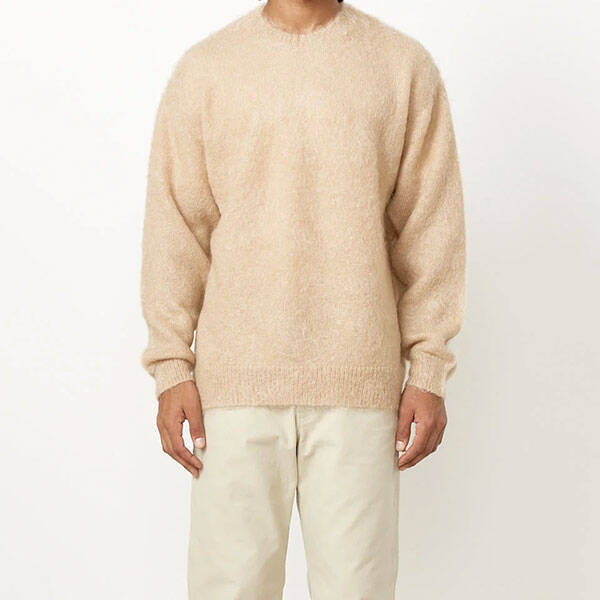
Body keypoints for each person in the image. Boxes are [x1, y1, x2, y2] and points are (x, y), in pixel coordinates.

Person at [140, 0, 465, 597]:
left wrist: (429, 369)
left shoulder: (401, 67)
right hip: (231, 390)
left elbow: (429, 228)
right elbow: (176, 230)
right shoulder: (208, 69)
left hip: (359, 388)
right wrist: (170, 367)